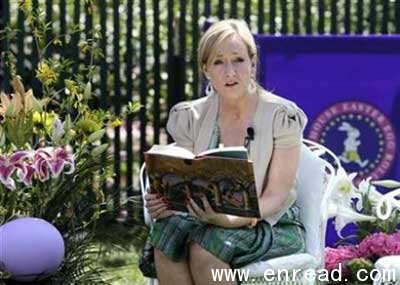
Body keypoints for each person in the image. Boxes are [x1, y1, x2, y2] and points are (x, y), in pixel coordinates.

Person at [144, 19, 307, 285]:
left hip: (270, 223)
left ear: (252, 64)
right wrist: (164, 202)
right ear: (206, 69)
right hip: (204, 219)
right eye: (218, 62)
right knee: (166, 235)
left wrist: (231, 219)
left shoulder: (281, 115)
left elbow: (276, 196)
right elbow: (182, 177)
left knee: (204, 248)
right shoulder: (190, 116)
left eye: (238, 60)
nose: (230, 71)